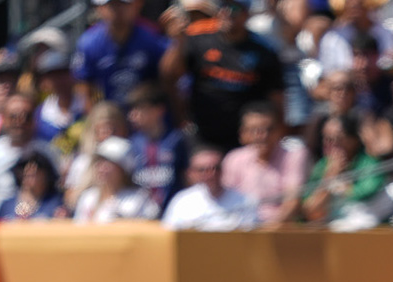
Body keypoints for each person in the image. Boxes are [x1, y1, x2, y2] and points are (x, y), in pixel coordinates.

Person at [164, 0, 288, 151]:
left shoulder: (264, 51)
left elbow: (276, 98)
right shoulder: (199, 40)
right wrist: (177, 42)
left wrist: (278, 134)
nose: (227, 13)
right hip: (204, 132)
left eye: (234, 8)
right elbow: (169, 75)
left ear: (246, 14)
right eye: (222, 7)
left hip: (247, 138)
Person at [222, 101, 308, 225]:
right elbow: (227, 201)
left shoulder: (294, 155)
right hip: (241, 228)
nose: (262, 136)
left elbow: (293, 202)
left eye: (268, 129)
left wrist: (266, 233)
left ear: (280, 131)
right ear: (242, 134)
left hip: (280, 230)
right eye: (254, 130)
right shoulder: (233, 159)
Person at [71, 0, 170, 108]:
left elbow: (168, 78)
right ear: (99, 8)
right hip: (108, 115)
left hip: (145, 113)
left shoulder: (151, 37)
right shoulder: (88, 43)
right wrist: (95, 120)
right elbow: (83, 89)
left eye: (123, 4)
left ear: (136, 5)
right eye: (112, 5)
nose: (118, 10)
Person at [300, 112, 382, 225]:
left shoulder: (369, 163)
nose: (329, 144)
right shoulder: (322, 166)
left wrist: (344, 188)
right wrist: (330, 176)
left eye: (337, 139)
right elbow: (310, 209)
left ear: (354, 141)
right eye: (326, 138)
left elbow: (365, 193)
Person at [160, 145, 258, 228]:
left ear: (223, 170)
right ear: (191, 173)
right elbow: (169, 234)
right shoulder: (182, 202)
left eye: (215, 168)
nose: (210, 174)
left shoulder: (245, 202)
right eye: (202, 170)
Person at [126, 83, 188, 209]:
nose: (133, 116)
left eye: (140, 109)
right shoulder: (132, 143)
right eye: (132, 110)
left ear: (158, 110)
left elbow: (187, 176)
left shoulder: (177, 140)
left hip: (173, 210)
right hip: (141, 213)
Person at [72, 137, 162, 222]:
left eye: (109, 164)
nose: (102, 168)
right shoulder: (88, 197)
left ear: (123, 170)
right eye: (100, 162)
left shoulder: (139, 199)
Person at [0, 148, 66, 220]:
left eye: (35, 172)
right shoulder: (7, 205)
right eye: (25, 169)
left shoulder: (55, 204)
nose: (29, 173)